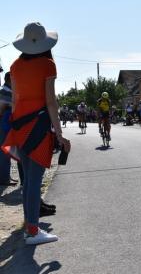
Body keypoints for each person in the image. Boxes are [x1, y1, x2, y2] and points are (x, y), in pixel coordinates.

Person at [1, 22, 70, 245]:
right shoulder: (47, 65)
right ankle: (32, 230)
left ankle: (30, 226)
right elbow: (51, 102)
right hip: (38, 128)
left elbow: (14, 101)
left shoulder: (14, 66)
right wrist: (59, 133)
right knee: (34, 181)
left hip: (19, 127)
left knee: (28, 181)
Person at [0, 72, 18, 186]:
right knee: (4, 152)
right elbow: (1, 109)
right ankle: (4, 179)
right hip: (3, 125)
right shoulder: (5, 91)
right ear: (9, 79)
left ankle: (6, 177)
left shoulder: (7, 90)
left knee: (6, 152)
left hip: (5, 124)